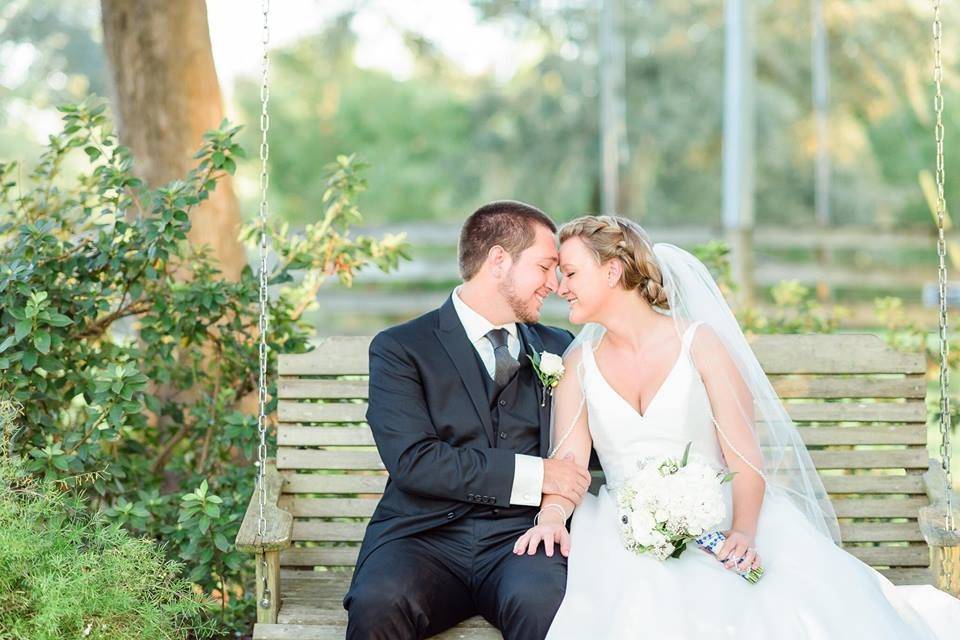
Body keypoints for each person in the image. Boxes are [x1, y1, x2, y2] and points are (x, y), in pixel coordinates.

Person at [513, 214, 960, 639]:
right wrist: (552, 517)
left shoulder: (699, 344)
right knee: (640, 602)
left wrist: (744, 531)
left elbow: (743, 457)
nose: (559, 287)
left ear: (612, 272)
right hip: (624, 528)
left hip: (722, 513)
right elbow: (568, 460)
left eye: (570, 274)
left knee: (761, 607)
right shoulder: (578, 363)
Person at [344, 200, 589, 639]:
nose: (554, 283)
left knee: (548, 607)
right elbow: (415, 461)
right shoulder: (401, 348)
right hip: (421, 537)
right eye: (545, 266)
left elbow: (586, 447)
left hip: (524, 536)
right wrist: (539, 473)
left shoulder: (560, 346)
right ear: (498, 260)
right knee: (378, 604)